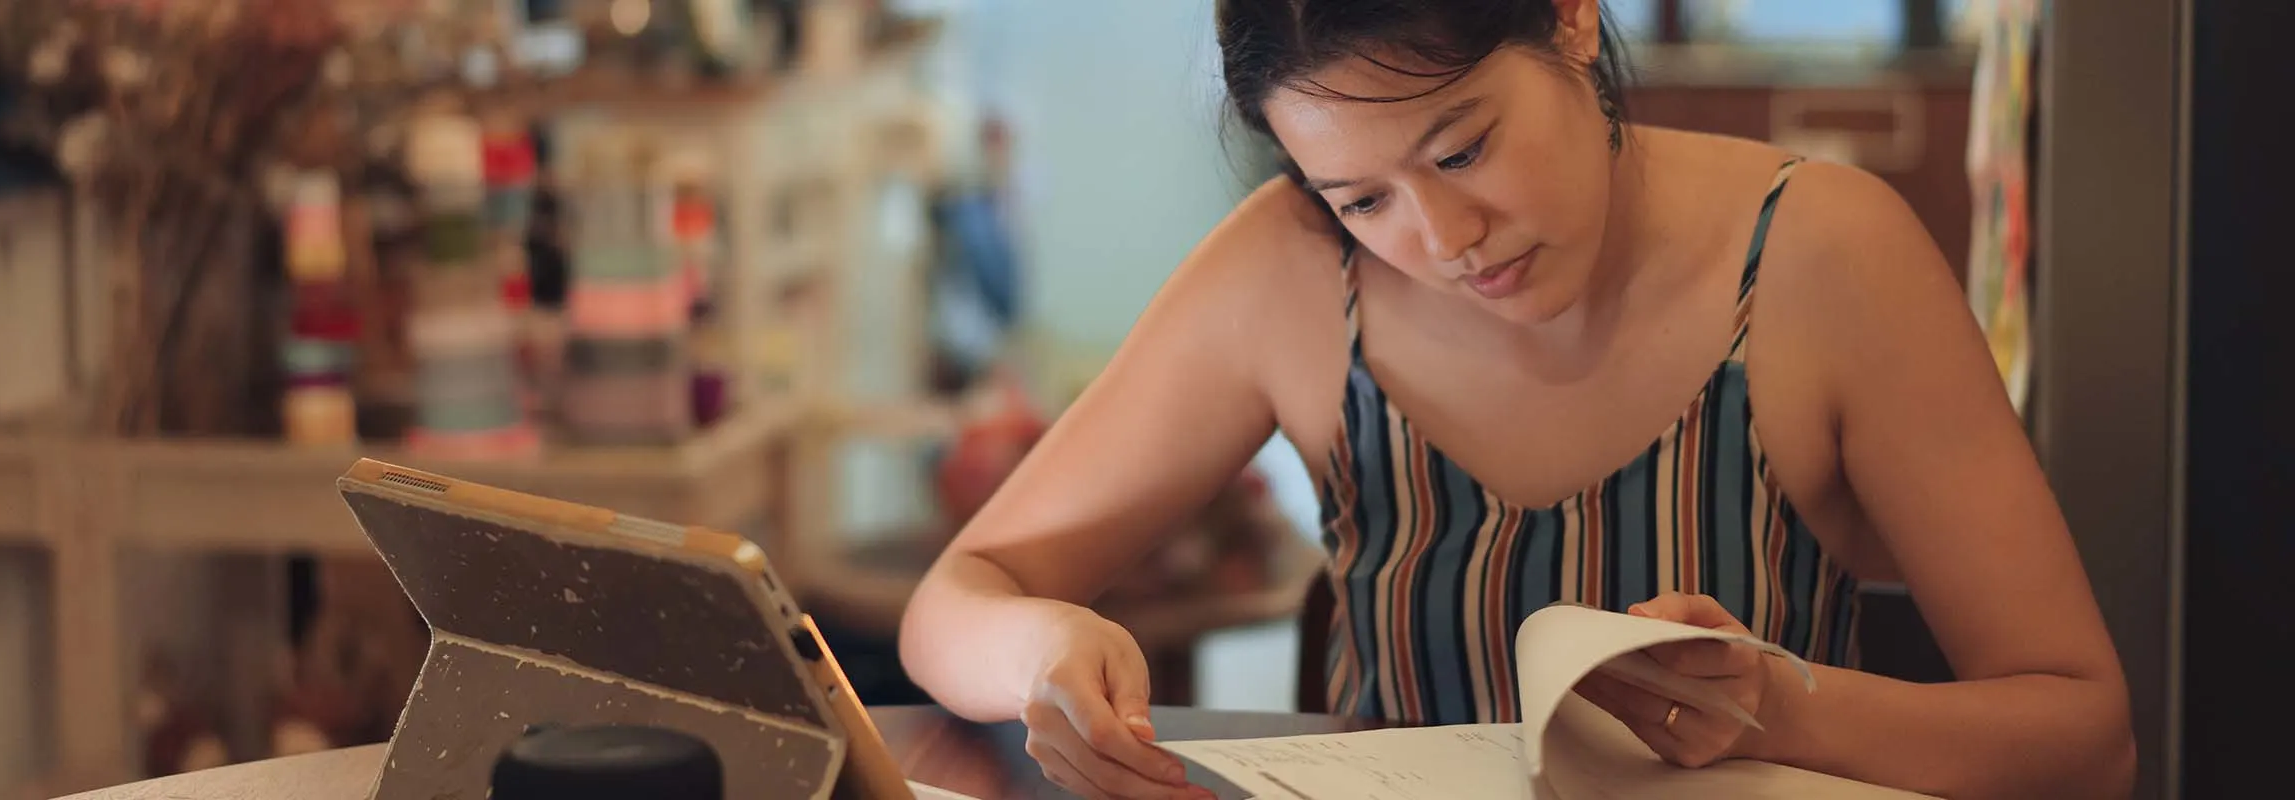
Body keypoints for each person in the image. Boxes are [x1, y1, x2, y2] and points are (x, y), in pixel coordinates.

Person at [896, 2, 2135, 798]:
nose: (1443, 238)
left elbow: (2086, 736)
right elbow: (960, 597)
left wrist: (1779, 709)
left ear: (1572, 18)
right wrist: (1041, 652)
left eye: (1462, 149)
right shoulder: (1288, 270)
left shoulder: (1824, 255)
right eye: (1362, 199)